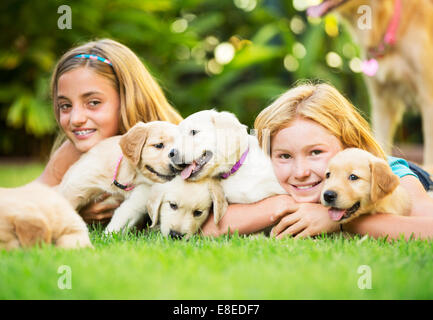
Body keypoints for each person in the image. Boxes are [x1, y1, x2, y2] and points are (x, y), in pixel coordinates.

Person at [201, 82, 433, 240]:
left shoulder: (388, 173)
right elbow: (206, 226)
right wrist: (277, 205)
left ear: (349, 145)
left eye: (315, 153)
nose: (300, 172)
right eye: (284, 156)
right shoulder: (268, 179)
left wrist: (342, 222)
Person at [36, 38, 182, 225]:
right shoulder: (72, 152)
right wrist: (77, 212)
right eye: (65, 105)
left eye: (94, 102)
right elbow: (31, 197)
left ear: (128, 98)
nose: (75, 119)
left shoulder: (176, 142)